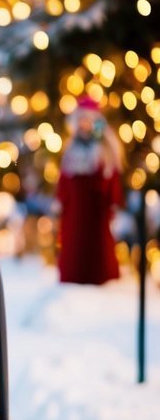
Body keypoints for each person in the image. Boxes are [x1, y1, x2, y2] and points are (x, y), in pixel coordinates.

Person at [55, 95, 123, 284]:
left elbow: (111, 178)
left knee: (97, 243)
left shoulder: (104, 148)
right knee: (74, 242)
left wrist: (112, 200)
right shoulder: (71, 148)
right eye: (80, 120)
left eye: (87, 119)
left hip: (95, 207)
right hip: (75, 207)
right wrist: (61, 199)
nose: (84, 124)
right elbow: (64, 178)